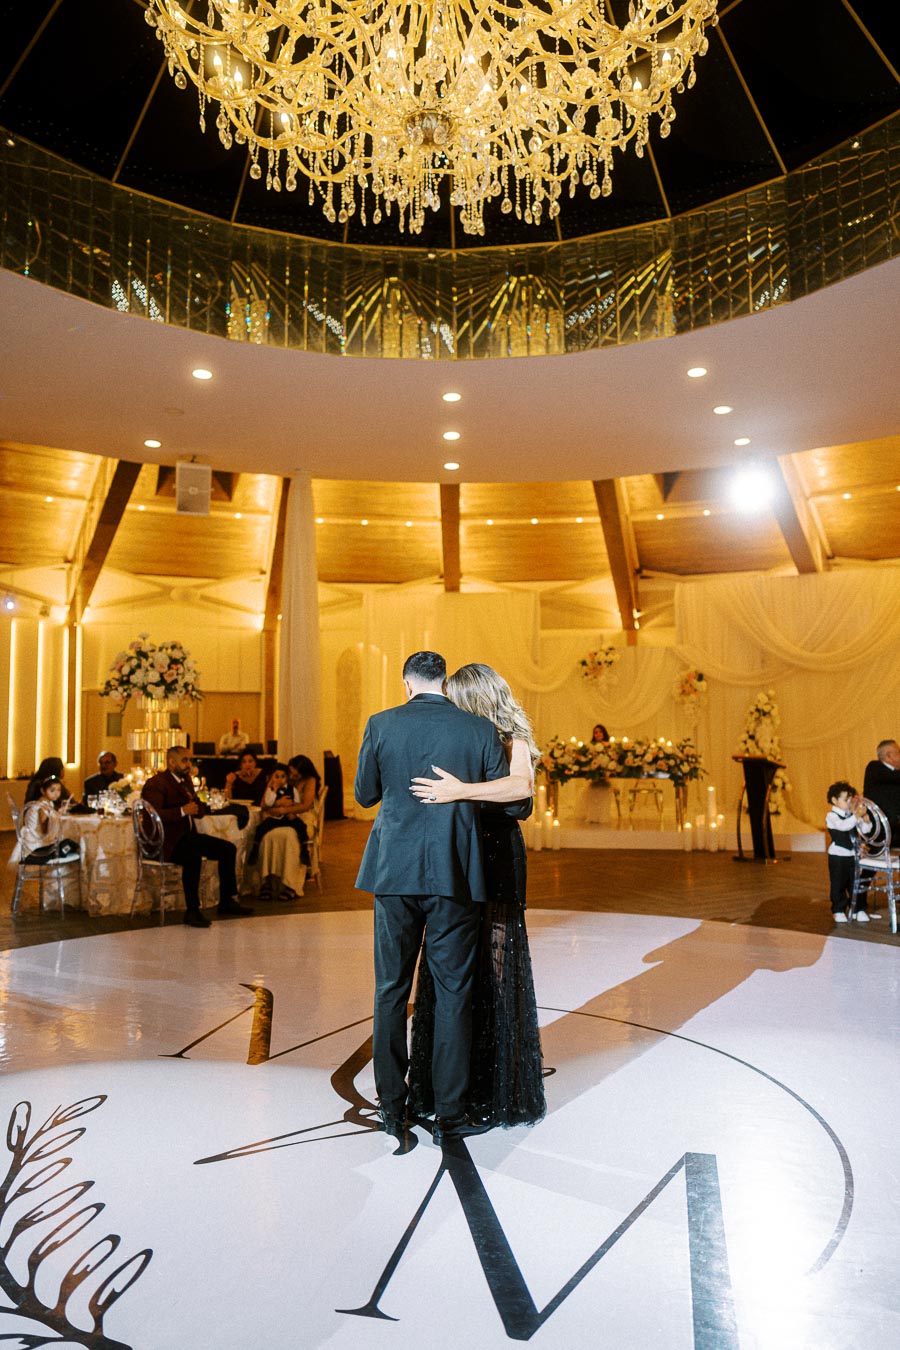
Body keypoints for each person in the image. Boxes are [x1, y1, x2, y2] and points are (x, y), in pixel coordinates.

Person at [355, 650, 509, 1145]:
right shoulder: (478, 729)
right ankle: (449, 1113)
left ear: (406, 683)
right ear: (444, 682)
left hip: (394, 873)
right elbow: (496, 795)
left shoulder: (381, 724)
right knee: (452, 992)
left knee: (390, 990)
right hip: (454, 874)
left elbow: (364, 794)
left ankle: (392, 1108)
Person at [409, 663, 546, 1128]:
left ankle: (494, 1085)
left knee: (497, 972)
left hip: (498, 861)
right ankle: (442, 1084)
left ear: (474, 699)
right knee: (449, 970)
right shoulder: (462, 740)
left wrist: (460, 792)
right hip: (457, 861)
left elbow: (521, 787)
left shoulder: (513, 739)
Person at [141, 745, 253, 928]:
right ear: (171, 762)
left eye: (190, 760)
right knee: (192, 858)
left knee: (228, 849)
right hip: (165, 841)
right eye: (184, 760)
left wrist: (197, 808)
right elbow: (154, 815)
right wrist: (183, 811)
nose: (188, 764)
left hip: (186, 837)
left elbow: (198, 806)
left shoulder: (185, 781)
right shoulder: (157, 783)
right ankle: (192, 910)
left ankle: (227, 901)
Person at [825, 781, 877, 924]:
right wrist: (856, 816)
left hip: (852, 856)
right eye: (845, 799)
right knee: (838, 884)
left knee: (855, 883)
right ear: (834, 800)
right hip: (838, 856)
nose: (849, 803)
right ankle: (838, 910)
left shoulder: (853, 815)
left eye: (850, 799)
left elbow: (865, 831)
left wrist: (866, 820)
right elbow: (843, 826)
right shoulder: (832, 816)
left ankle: (858, 908)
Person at [18, 776, 80, 863]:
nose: (56, 793)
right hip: (36, 842)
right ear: (43, 791)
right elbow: (44, 830)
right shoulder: (42, 805)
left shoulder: (48, 802)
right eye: (52, 790)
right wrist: (57, 815)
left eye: (59, 790)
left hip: (35, 837)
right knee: (70, 841)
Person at [863, 739, 900, 837]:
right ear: (889, 755)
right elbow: (893, 776)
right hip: (883, 830)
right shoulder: (874, 767)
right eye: (898, 752)